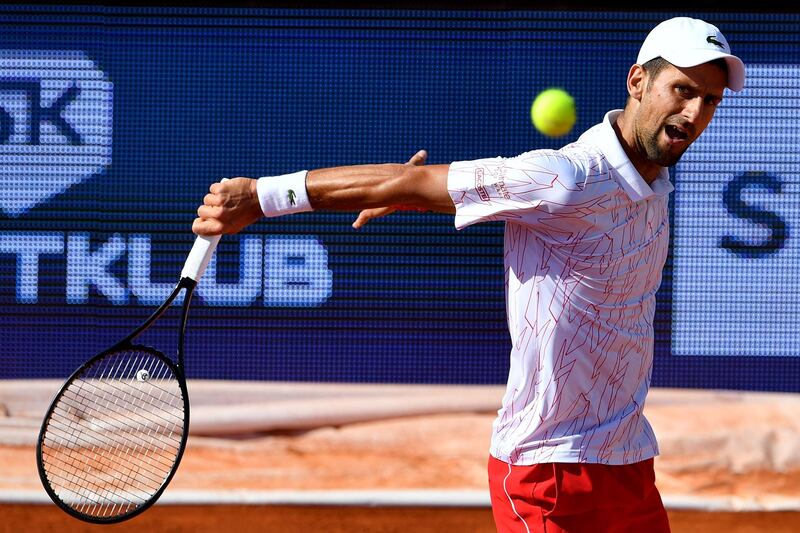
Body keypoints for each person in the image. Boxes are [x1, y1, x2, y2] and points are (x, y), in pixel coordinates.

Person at [192, 16, 745, 533]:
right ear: (638, 82)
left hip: (627, 464)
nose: (696, 113)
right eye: (683, 90)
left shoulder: (655, 190)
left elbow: (421, 190)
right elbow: (402, 183)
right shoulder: (567, 177)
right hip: (545, 473)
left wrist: (418, 195)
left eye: (710, 99)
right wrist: (262, 197)